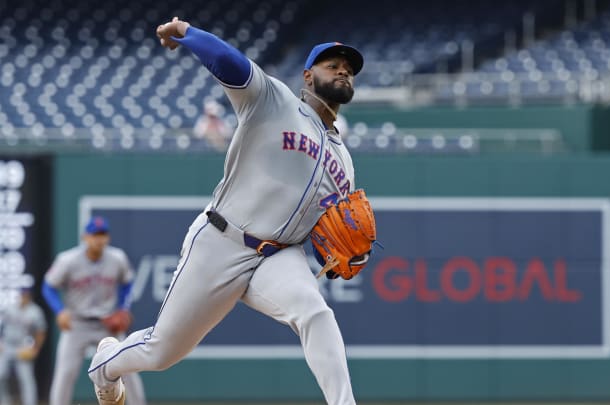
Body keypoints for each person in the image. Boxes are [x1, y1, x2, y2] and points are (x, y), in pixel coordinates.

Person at [87, 16, 365, 405]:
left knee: (315, 312)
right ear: (308, 76)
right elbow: (231, 64)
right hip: (223, 239)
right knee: (163, 351)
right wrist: (187, 34)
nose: (342, 72)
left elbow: (325, 231)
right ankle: (105, 365)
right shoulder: (275, 100)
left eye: (349, 70)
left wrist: (343, 254)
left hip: (280, 256)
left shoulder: (344, 161)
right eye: (332, 65)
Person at [43, 216, 146, 405]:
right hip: (77, 324)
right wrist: (59, 311)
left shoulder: (117, 258)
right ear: (85, 237)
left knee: (129, 369)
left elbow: (128, 283)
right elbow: (48, 286)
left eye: (103, 234)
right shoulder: (68, 260)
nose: (99, 239)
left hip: (107, 325)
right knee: (65, 374)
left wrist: (124, 308)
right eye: (95, 235)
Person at [0, 286, 46, 405]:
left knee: (26, 379)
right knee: (1, 375)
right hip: (7, 346)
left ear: (29, 296)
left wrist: (35, 349)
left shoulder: (35, 311)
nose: (23, 297)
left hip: (23, 347)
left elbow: (41, 332)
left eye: (26, 295)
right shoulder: (9, 308)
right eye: (22, 295)